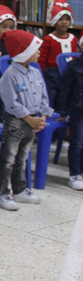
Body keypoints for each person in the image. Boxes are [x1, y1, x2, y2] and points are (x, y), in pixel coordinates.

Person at [0, 30, 50, 210]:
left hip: (33, 121)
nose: (39, 52)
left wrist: (42, 116)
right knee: (8, 158)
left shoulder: (35, 72)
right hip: (17, 122)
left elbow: (44, 97)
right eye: (36, 49)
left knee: (23, 157)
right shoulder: (9, 76)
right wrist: (29, 119)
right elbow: (11, 104)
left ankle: (19, 189)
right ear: (24, 52)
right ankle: (2, 193)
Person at [39, 0, 77, 108]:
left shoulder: (73, 38)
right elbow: (42, 58)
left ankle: (63, 115)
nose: (64, 22)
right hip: (53, 73)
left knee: (65, 96)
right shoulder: (49, 38)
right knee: (51, 96)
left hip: (69, 73)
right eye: (60, 19)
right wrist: (40, 74)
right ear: (55, 20)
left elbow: (74, 57)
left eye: (67, 19)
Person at [58, 37, 83, 191]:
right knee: (78, 142)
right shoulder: (74, 66)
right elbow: (65, 89)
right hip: (78, 109)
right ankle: (75, 174)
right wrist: (62, 110)